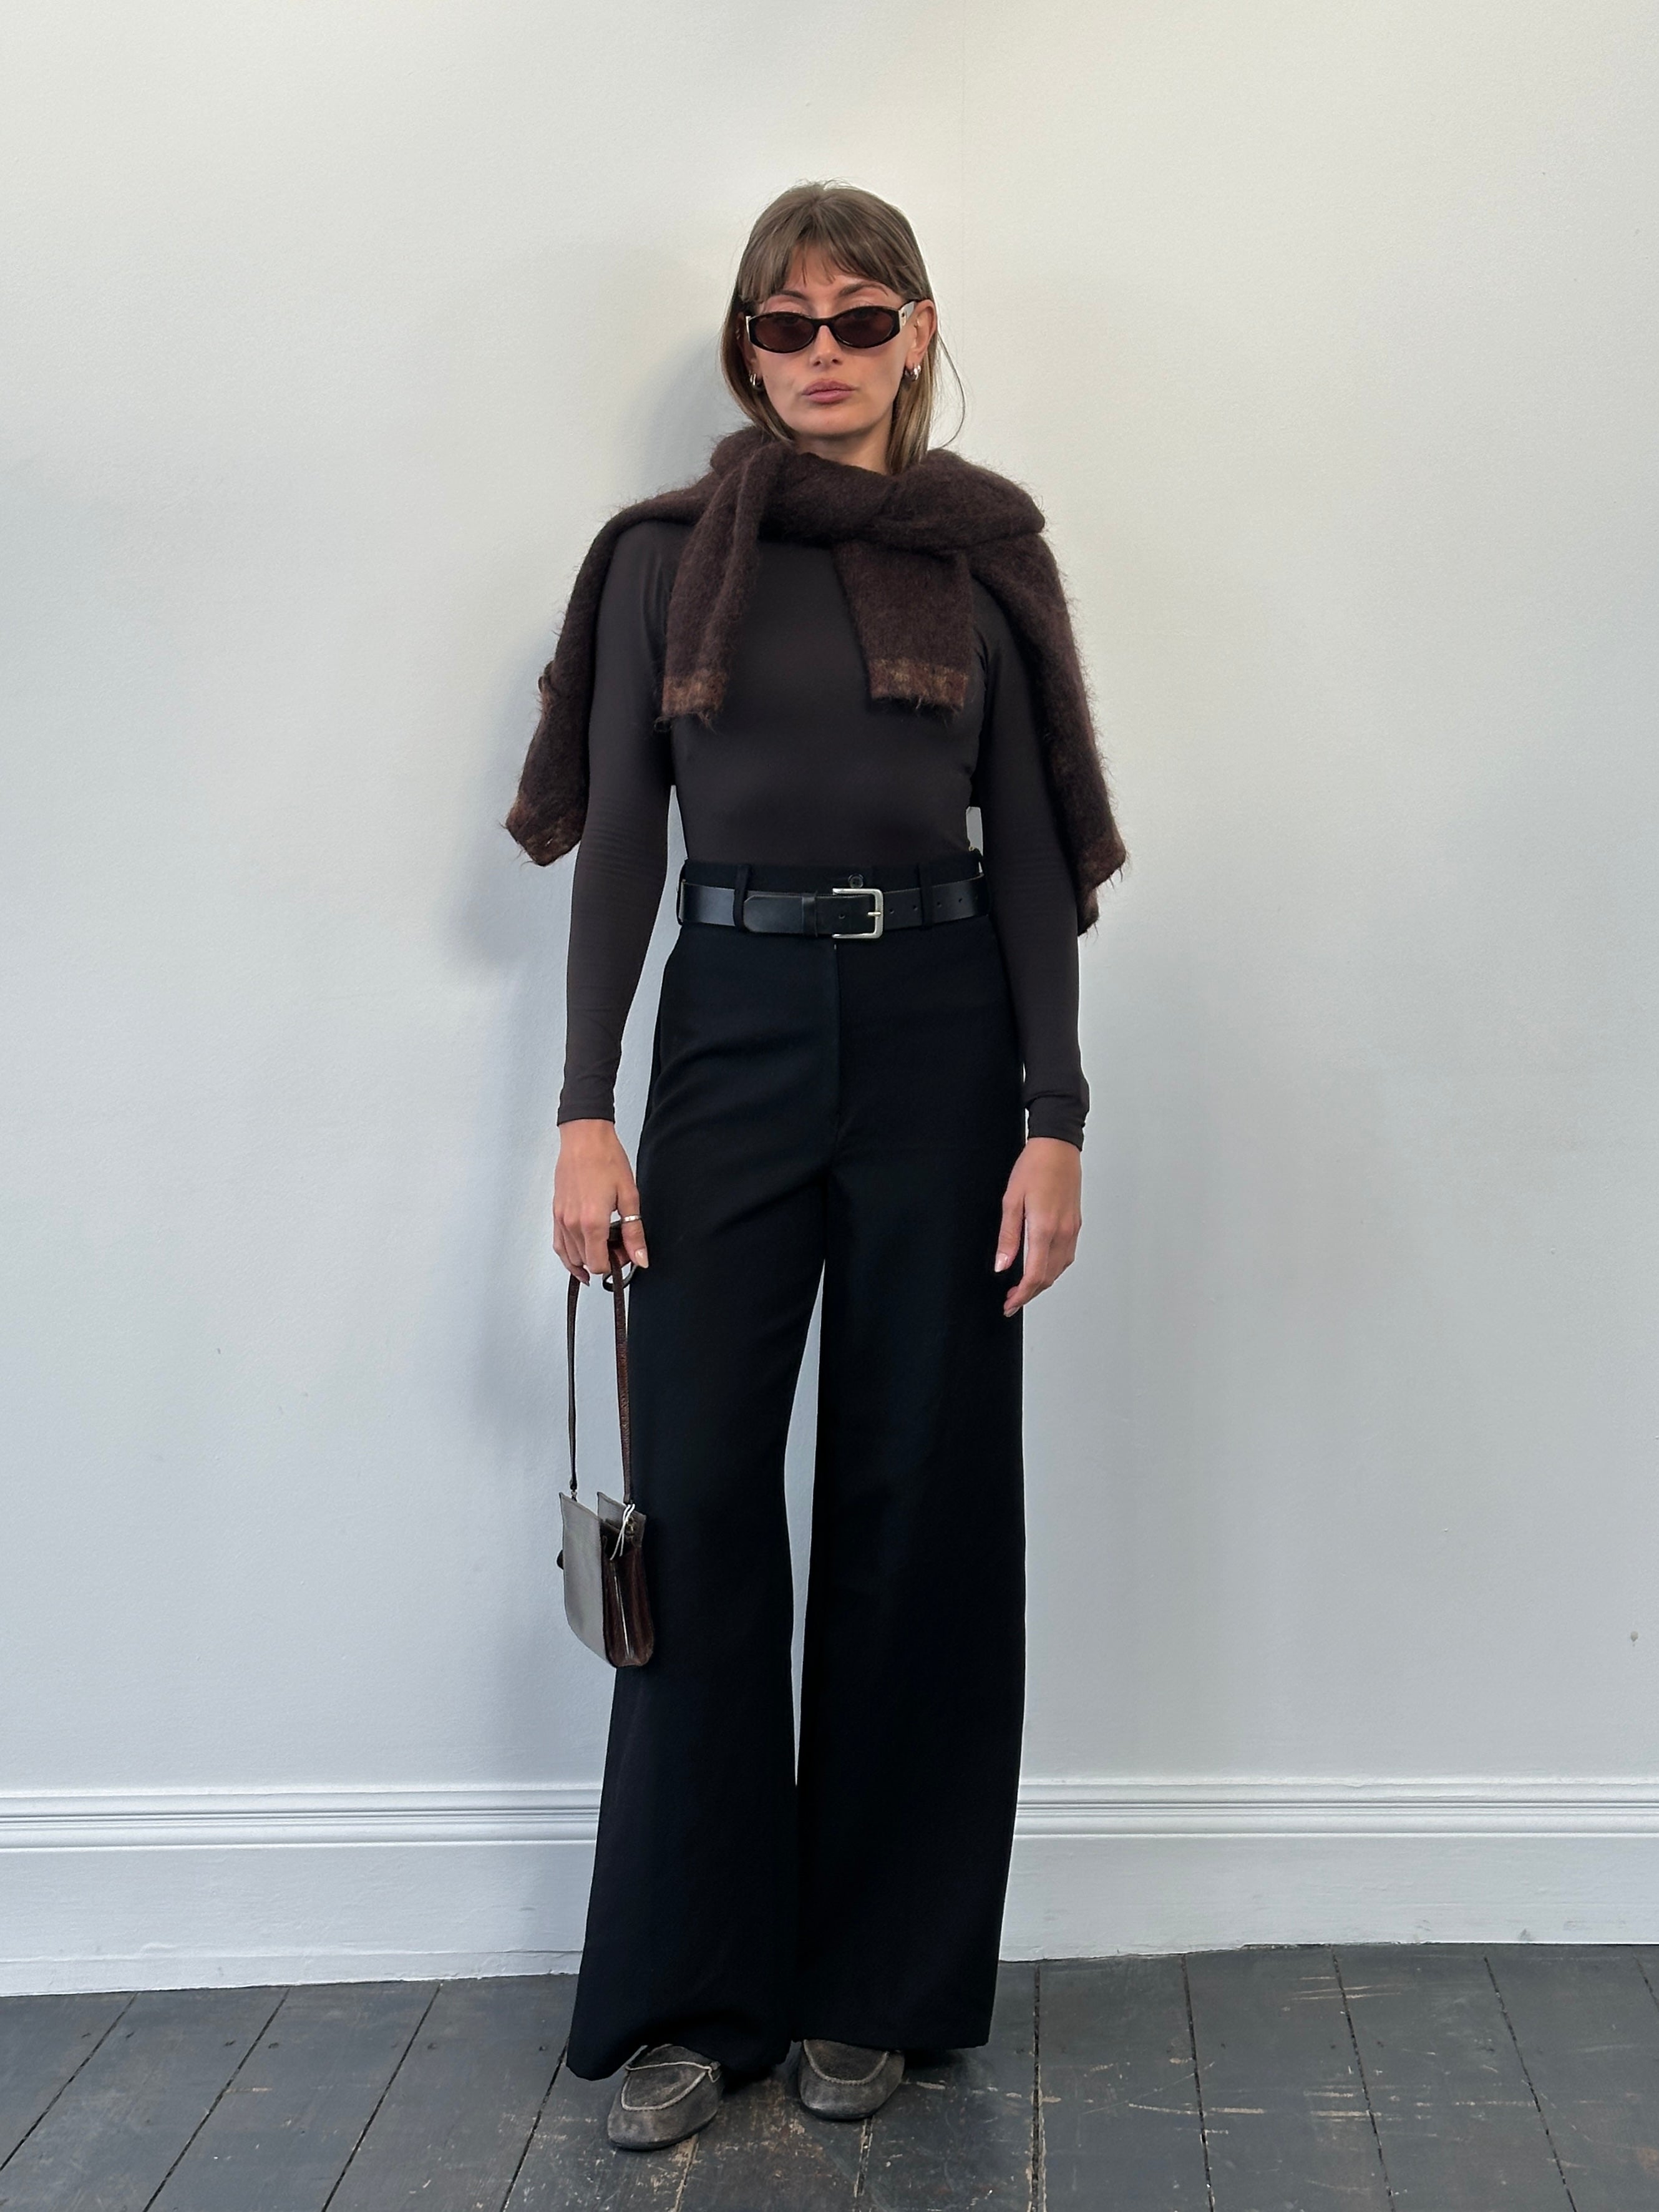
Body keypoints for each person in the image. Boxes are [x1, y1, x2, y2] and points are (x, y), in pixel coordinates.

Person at [505, 180, 1126, 2152]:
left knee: (916, 1494)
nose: (824, 353)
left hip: (945, 1035)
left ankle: (879, 1986)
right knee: (695, 1501)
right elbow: (623, 840)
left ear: (916, 333)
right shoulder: (661, 559)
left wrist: (1054, 1117)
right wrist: (584, 1103)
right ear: (746, 348)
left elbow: (1030, 855)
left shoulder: (979, 554)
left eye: (861, 318)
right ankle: (696, 1992)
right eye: (787, 324)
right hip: (735, 1029)